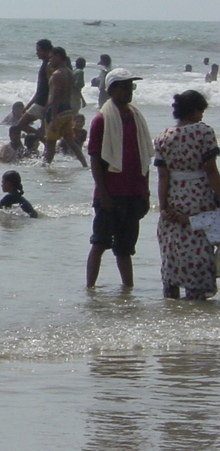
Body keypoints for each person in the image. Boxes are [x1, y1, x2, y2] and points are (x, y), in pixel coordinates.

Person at [85, 69, 153, 289]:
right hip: (111, 193)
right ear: (112, 89)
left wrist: (146, 192)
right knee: (100, 243)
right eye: (124, 86)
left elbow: (145, 157)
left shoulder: (137, 118)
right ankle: (90, 289)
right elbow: (95, 160)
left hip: (134, 192)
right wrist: (103, 194)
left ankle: (128, 290)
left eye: (130, 86)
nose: (128, 91)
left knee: (125, 248)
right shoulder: (101, 120)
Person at [154, 90, 220, 299]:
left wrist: (163, 207)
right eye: (200, 111)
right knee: (198, 246)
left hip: (174, 196)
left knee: (174, 248)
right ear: (194, 111)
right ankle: (196, 298)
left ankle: (172, 300)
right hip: (198, 195)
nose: (201, 116)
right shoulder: (204, 132)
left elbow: (163, 176)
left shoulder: (163, 137)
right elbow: (210, 170)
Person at [42, 47, 88, 167]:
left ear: (58, 57)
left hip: (57, 111)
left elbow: (55, 96)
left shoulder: (57, 75)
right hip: (68, 110)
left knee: (50, 144)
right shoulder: (69, 72)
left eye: (52, 57)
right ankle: (84, 164)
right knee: (71, 141)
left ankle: (45, 168)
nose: (50, 60)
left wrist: (53, 117)